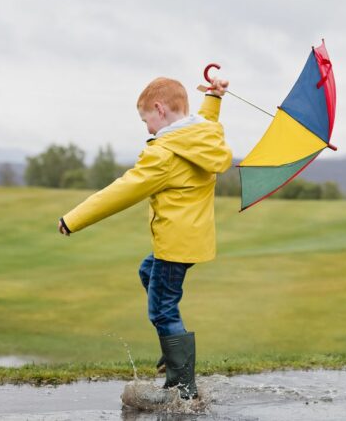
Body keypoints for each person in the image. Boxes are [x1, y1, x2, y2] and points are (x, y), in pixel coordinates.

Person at [57, 76, 232, 399]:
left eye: (145, 120)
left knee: (162, 310)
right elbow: (207, 119)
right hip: (194, 239)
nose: (147, 129)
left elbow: (122, 191)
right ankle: (175, 349)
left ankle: (183, 389)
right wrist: (214, 96)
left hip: (174, 245)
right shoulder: (201, 136)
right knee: (146, 272)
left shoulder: (164, 153)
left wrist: (73, 219)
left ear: (159, 108)